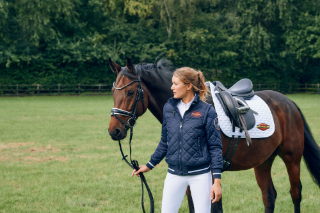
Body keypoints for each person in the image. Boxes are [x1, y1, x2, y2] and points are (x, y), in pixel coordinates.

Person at [132, 67, 223, 213]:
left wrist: (216, 182)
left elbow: (215, 147)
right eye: (172, 83)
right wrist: (149, 165)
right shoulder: (168, 108)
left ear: (188, 86)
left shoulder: (207, 111)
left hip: (200, 176)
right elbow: (165, 141)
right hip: (174, 175)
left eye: (175, 84)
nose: (171, 87)